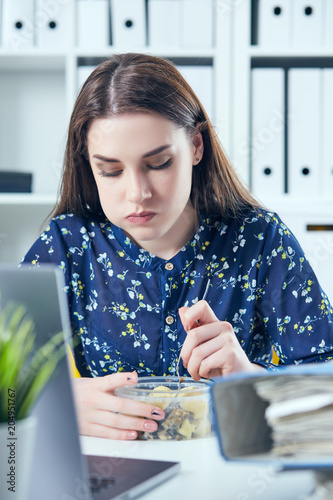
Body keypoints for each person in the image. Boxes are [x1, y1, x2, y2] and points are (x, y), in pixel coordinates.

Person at [22, 53, 333, 440]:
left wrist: (247, 376)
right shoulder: (67, 245)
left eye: (159, 163)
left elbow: (325, 385)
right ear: (89, 166)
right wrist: (55, 403)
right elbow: (11, 381)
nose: (137, 193)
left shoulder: (259, 239)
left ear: (196, 147)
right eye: (111, 171)